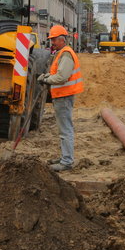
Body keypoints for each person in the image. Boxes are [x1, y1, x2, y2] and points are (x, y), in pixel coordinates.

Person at [38, 24, 84, 172]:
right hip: (62, 96)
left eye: (54, 40)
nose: (52, 43)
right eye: (51, 40)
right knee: (64, 129)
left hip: (64, 96)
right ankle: (65, 157)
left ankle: (66, 161)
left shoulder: (66, 54)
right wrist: (47, 76)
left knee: (65, 130)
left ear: (62, 39)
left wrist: (46, 80)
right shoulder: (61, 53)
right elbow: (58, 74)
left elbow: (62, 77)